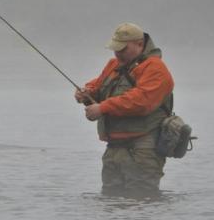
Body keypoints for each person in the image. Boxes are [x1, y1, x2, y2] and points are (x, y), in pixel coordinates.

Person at [75, 22, 174, 193]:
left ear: (139, 44)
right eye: (115, 48)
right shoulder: (114, 64)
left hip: (143, 149)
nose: (117, 53)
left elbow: (141, 101)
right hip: (114, 147)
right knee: (111, 201)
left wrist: (102, 108)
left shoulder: (156, 68)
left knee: (142, 201)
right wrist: (86, 93)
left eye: (123, 49)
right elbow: (98, 86)